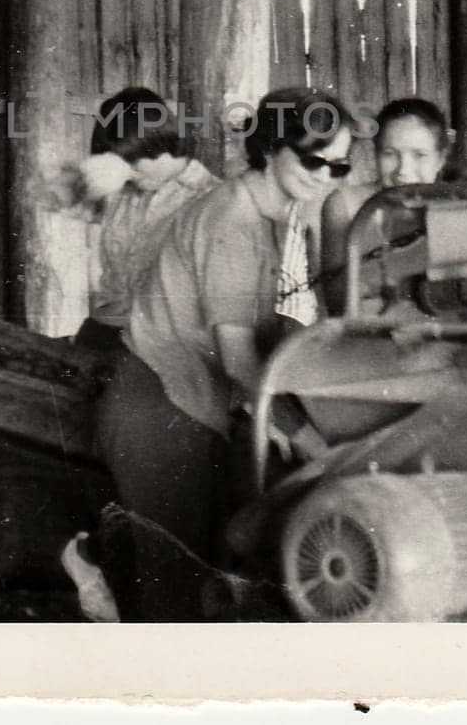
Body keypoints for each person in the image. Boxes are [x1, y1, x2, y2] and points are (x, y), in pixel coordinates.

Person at [95, 87, 351, 615]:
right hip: (159, 411)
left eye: (339, 165)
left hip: (187, 403)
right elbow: (237, 359)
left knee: (198, 585)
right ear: (272, 147)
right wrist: (313, 444)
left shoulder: (276, 213)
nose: (324, 175)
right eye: (311, 159)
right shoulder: (233, 220)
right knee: (172, 597)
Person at [70, 87, 219, 355]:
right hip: (108, 332)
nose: (126, 173)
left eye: (132, 162)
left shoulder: (212, 201)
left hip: (171, 348)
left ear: (157, 143)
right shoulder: (122, 195)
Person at [320, 97, 452, 315]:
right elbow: (338, 303)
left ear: (440, 159)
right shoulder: (347, 206)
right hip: (368, 341)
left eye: (419, 155)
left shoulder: (455, 211)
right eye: (390, 154)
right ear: (375, 154)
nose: (403, 169)